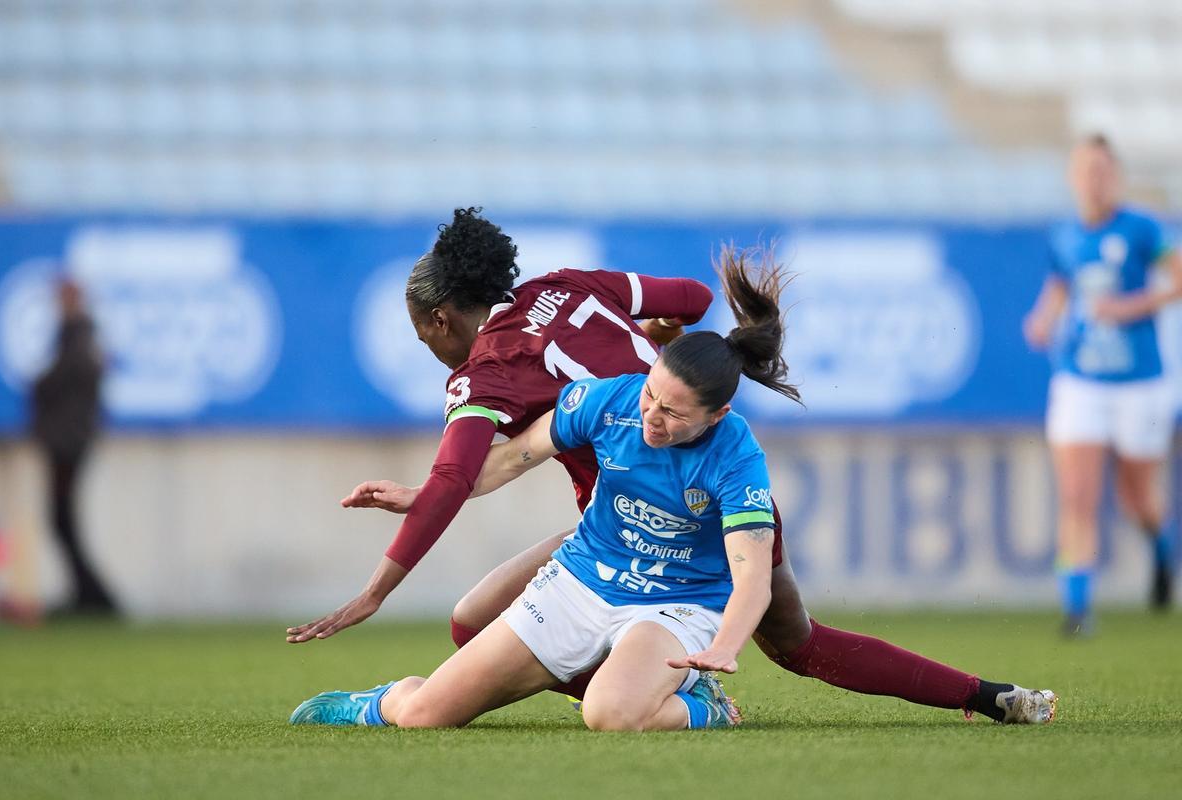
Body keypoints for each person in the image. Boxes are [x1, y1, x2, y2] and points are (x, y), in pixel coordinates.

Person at [289, 209, 1054, 725]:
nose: (651, 412)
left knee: (477, 623)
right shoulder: (567, 289)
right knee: (801, 645)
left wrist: (375, 589)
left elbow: (460, 475)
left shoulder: (487, 374)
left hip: (664, 530)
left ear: (440, 318)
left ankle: (674, 694)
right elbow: (690, 296)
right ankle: (659, 686)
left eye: (425, 335)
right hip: (643, 524)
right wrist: (662, 335)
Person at [1024, 134, 1182, 636]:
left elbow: (1178, 279)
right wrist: (1043, 318)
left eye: (1103, 170)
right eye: (1086, 170)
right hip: (1081, 381)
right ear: (1073, 178)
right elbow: (1061, 284)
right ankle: (1077, 609)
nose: (1094, 180)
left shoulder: (1141, 229)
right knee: (1077, 495)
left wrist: (1130, 307)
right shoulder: (1064, 235)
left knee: (1136, 496)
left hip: (1140, 383)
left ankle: (1161, 545)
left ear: (1115, 177)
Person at [29, 278, 116, 615]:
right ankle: (88, 595)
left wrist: (41, 386)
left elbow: (64, 383)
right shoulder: (75, 338)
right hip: (67, 440)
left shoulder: (79, 339)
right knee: (62, 522)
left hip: (68, 443)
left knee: (62, 521)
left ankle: (95, 597)